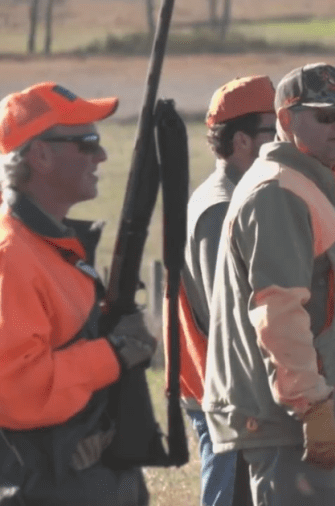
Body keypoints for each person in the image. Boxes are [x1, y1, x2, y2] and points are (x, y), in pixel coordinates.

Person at [202, 62, 335, 506]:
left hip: (317, 413)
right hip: (293, 423)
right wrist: (313, 407)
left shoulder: (311, 185)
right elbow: (278, 310)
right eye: (326, 115)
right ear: (286, 120)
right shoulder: (278, 192)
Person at [0, 82, 157, 504]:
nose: (101, 156)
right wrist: (114, 352)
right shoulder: (11, 257)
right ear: (41, 155)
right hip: (47, 486)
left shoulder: (51, 244)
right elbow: (19, 390)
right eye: (87, 143)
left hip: (86, 477)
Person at [170, 75, 276, 506]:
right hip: (228, 391)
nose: (280, 140)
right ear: (242, 141)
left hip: (234, 386)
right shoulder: (220, 207)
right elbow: (227, 312)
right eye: (272, 131)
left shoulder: (238, 196)